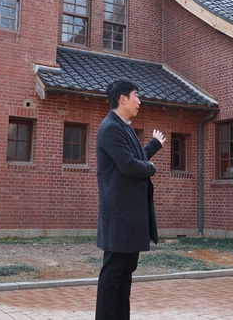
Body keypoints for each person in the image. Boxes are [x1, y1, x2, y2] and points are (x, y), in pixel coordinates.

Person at [95, 78, 165, 320]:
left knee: (125, 274)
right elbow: (128, 165)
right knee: (113, 273)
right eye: (136, 95)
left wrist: (154, 145)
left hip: (129, 216)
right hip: (119, 215)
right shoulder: (110, 127)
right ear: (122, 98)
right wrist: (152, 168)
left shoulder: (124, 126)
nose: (139, 101)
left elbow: (137, 157)